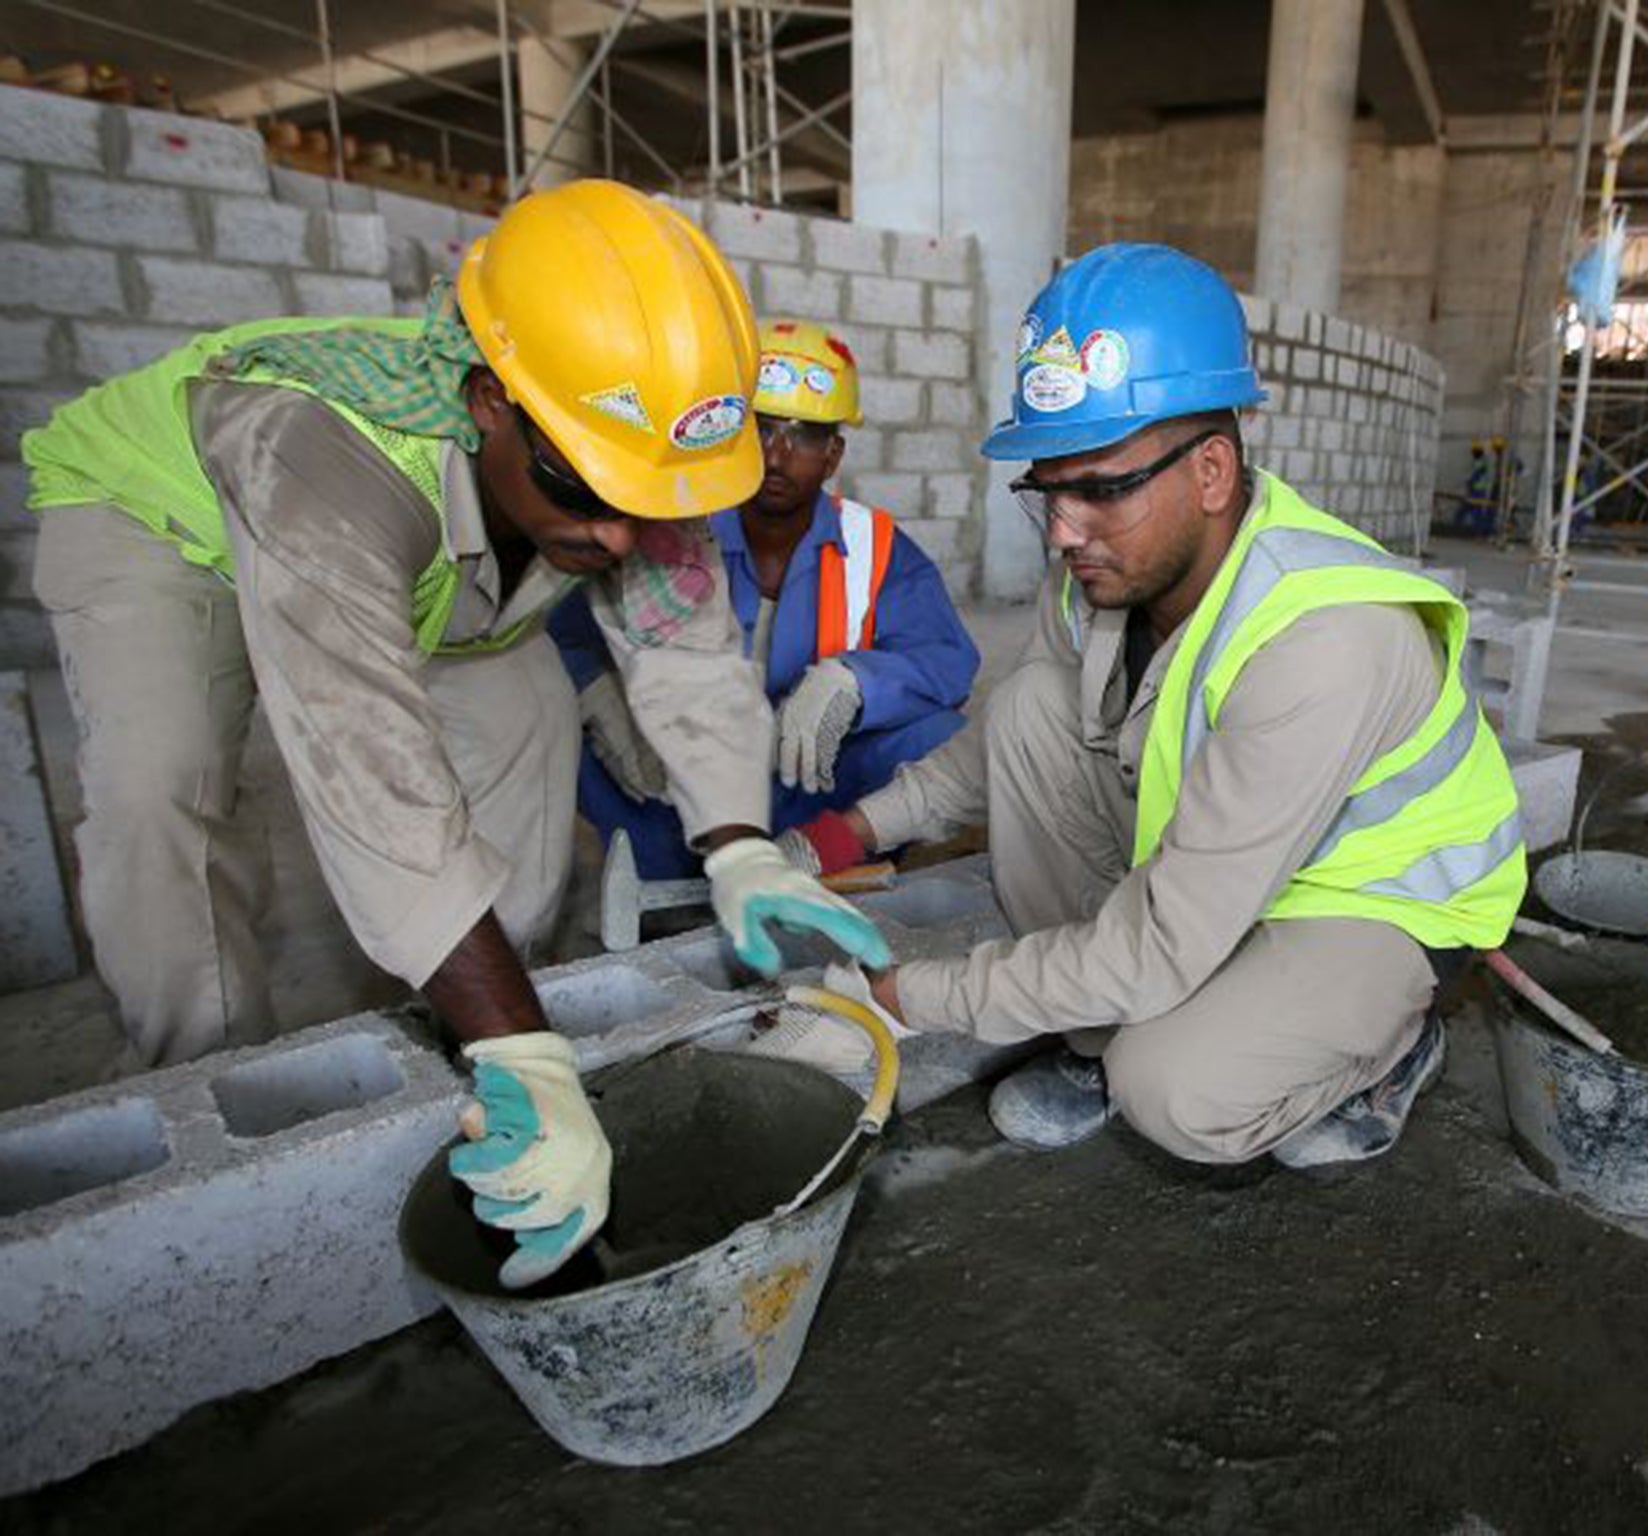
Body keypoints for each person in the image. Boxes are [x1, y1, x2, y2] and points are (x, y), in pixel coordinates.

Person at [21, 180, 888, 1287]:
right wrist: (528, 1043)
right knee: (163, 794)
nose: (621, 530)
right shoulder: (324, 451)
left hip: (443, 563)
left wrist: (738, 844)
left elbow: (682, 649)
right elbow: (362, 760)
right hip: (164, 523)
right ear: (488, 401)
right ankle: (215, 1093)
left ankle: (473, 1034)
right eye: (585, 485)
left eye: (648, 497)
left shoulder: (604, 454)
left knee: (528, 720)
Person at [768, 244, 1527, 1169]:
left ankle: (1390, 1049)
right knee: (1033, 711)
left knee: (1173, 1090)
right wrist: (839, 835)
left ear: (1211, 472)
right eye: (1045, 489)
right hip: (1234, 864)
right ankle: (1095, 1034)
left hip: (1367, 900)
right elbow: (992, 754)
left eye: (1099, 489)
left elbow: (1163, 940)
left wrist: (896, 999)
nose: (1061, 529)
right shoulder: (1102, 572)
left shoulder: (1324, 636)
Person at [549, 317, 978, 880]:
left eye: (802, 435)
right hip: (678, 781)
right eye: (762, 427)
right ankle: (664, 889)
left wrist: (857, 682)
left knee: (938, 735)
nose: (776, 455)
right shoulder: (675, 527)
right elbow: (568, 628)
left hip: (812, 779)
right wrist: (599, 694)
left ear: (833, 454)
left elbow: (948, 659)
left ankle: (839, 853)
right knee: (555, 721)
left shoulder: (874, 545)